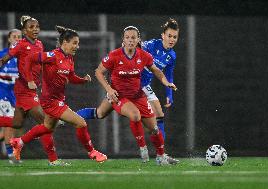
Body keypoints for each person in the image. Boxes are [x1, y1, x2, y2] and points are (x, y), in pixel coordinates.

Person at [10, 25, 107, 163]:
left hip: (57, 98)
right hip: (50, 101)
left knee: (47, 127)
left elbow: (71, 77)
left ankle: (19, 142)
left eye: (78, 43)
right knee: (81, 123)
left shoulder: (69, 59)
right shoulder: (52, 56)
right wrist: (30, 80)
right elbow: (29, 59)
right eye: (74, 43)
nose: (77, 46)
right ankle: (92, 152)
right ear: (64, 43)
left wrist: (82, 80)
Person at [94, 25, 178, 165]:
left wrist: (166, 84)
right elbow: (98, 72)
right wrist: (109, 89)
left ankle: (161, 156)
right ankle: (143, 147)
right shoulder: (117, 54)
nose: (131, 40)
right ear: (123, 40)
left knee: (154, 128)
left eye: (133, 38)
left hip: (139, 93)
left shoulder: (146, 55)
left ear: (138, 39)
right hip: (119, 95)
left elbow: (158, 71)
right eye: (127, 38)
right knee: (133, 115)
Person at [0, 15, 63, 166]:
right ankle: (53, 160)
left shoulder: (40, 44)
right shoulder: (20, 45)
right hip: (23, 90)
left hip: (31, 91)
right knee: (46, 122)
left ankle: (17, 142)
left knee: (16, 123)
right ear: (24, 31)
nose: (35, 29)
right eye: (31, 27)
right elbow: (5, 58)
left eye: (37, 27)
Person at [141, 18, 179, 139]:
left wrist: (169, 94)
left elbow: (168, 75)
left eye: (175, 37)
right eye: (169, 36)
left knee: (159, 115)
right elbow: (135, 51)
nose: (172, 39)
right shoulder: (151, 45)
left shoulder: (172, 56)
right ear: (163, 35)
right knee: (101, 112)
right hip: (131, 83)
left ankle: (161, 154)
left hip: (144, 85)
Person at [0, 29, 21, 163]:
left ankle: (11, 154)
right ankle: (11, 155)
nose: (17, 39)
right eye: (14, 37)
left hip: (15, 96)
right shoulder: (3, 55)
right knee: (9, 122)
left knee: (10, 125)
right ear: (9, 39)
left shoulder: (23, 58)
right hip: (2, 94)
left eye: (19, 37)